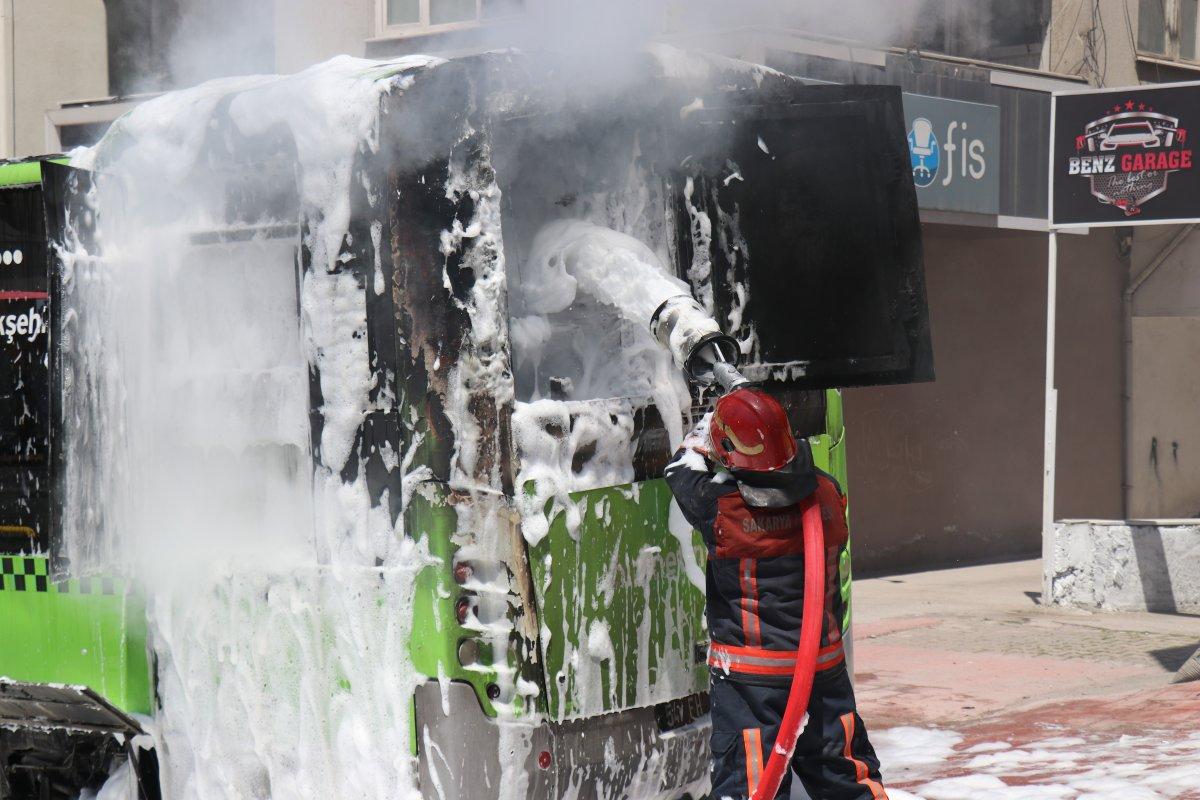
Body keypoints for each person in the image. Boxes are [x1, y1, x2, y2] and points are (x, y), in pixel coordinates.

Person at [664, 386, 889, 800]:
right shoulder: (826, 493)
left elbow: (680, 469)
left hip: (755, 685)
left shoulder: (723, 511)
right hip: (823, 669)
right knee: (844, 776)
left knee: (751, 785)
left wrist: (705, 429)